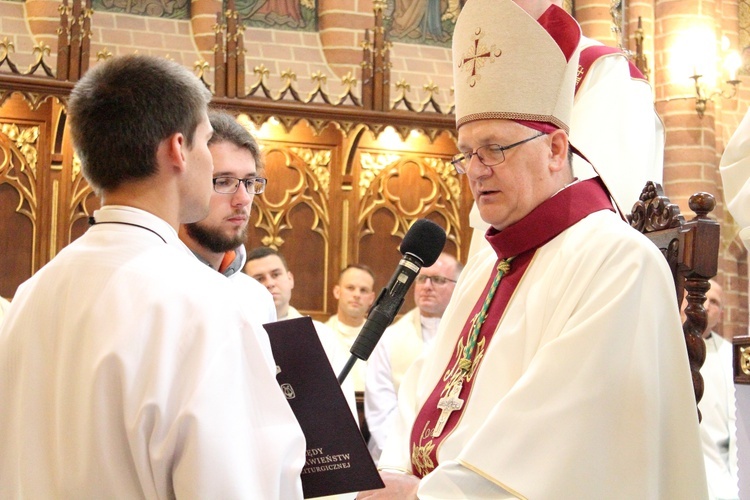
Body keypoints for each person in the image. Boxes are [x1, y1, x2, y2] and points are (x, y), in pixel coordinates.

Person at [360, 1, 707, 497]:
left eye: (495, 148)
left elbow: (564, 444)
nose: (477, 170)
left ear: (556, 149)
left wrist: (422, 495)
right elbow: (420, 395)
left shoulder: (619, 262)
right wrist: (391, 473)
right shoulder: (486, 267)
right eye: (466, 153)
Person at [0, 55, 305, 498]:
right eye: (204, 142)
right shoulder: (203, 302)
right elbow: (234, 487)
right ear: (178, 149)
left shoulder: (34, 292)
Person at [466, 0, 664, 259]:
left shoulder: (602, 69)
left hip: (574, 260)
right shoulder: (492, 63)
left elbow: (600, 198)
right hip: (498, 256)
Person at [178, 110, 278, 365]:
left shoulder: (256, 298)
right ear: (183, 184)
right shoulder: (157, 284)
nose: (243, 199)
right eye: (223, 181)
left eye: (250, 182)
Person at [364, 252, 462, 461]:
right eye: (421, 279)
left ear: (459, 287)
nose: (427, 286)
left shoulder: (469, 336)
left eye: (437, 280)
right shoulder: (388, 338)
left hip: (450, 457)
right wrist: (408, 457)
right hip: (393, 456)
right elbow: (380, 408)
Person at [244, 246, 358, 419]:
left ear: (290, 279)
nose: (270, 283)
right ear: (248, 287)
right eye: (259, 279)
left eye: (276, 274)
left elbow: (343, 398)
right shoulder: (243, 336)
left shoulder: (321, 335)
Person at [692, 280, 739, 499]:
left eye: (714, 301)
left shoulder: (730, 354)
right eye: (704, 298)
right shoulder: (669, 342)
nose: (707, 305)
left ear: (720, 313)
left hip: (720, 463)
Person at [325, 263, 376, 391]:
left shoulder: (382, 339)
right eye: (350, 288)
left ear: (371, 298)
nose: (357, 295)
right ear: (337, 292)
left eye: (363, 290)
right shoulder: (321, 335)